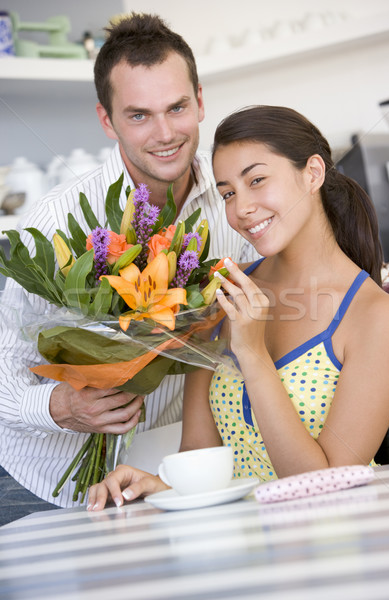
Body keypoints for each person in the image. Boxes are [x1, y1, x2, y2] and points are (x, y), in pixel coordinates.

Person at [0, 13, 258, 523]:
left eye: (177, 108)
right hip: (42, 485)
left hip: (163, 479)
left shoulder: (238, 209)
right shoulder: (58, 219)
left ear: (200, 101)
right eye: (138, 115)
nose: (165, 134)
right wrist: (61, 407)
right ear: (106, 119)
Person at [87, 105, 389, 510]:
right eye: (228, 193)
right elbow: (202, 458)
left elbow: (327, 489)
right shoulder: (221, 293)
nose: (242, 209)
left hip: (341, 552)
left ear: (313, 173)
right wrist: (155, 487)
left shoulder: (379, 318)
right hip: (246, 550)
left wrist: (251, 352)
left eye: (257, 180)